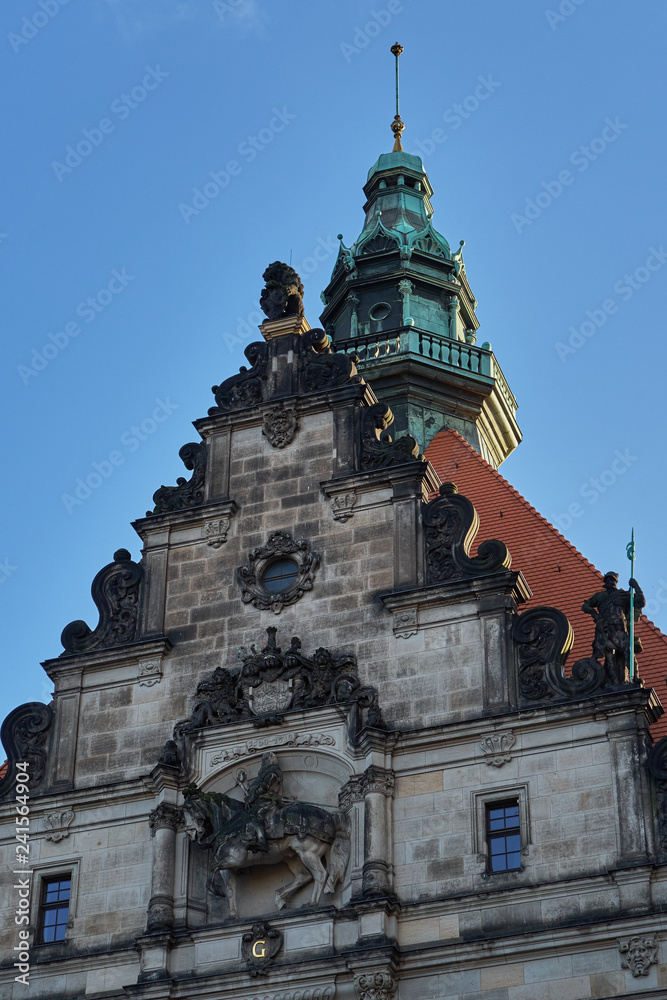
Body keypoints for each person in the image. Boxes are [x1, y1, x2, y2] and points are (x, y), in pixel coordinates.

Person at [581, 572, 645, 684]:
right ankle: (614, 683)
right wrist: (593, 613)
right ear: (605, 583)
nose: (610, 582)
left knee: (629, 653)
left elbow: (641, 602)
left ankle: (634, 677)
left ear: (616, 582)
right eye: (608, 580)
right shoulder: (600, 596)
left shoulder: (623, 595)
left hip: (620, 630)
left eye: (612, 580)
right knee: (609, 659)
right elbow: (585, 605)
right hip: (606, 630)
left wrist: (636, 587)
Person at [241, 752, 284, 853]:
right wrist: (244, 783)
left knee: (256, 815)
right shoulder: (263, 774)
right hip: (261, 801)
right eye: (263, 760)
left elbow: (264, 787)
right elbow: (254, 790)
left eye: (265, 760)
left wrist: (251, 798)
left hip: (268, 800)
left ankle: (262, 842)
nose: (263, 762)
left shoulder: (273, 771)